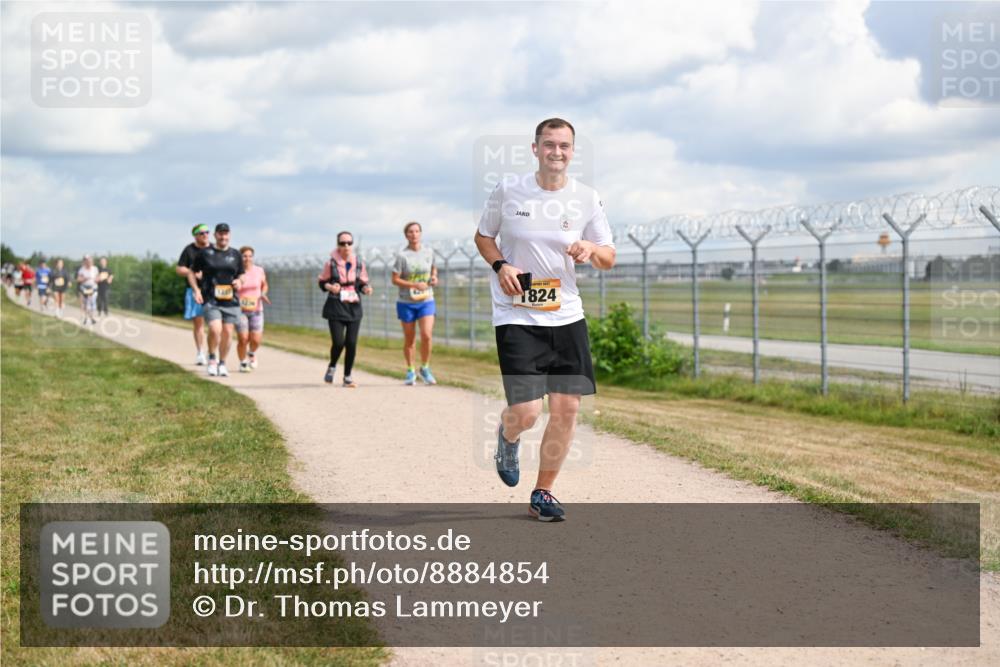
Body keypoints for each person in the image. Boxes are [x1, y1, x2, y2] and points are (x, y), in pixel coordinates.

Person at [474, 118, 616, 522]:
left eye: (564, 146)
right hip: (516, 315)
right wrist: (501, 265)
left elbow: (608, 257)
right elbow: (483, 237)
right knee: (527, 412)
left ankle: (543, 492)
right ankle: (508, 435)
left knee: (567, 409)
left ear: (573, 151)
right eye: (549, 144)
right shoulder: (508, 190)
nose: (557, 152)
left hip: (566, 315)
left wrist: (590, 248)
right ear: (535, 149)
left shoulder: (586, 197)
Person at [317, 231, 372, 387]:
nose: (346, 246)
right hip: (336, 306)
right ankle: (332, 366)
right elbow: (322, 283)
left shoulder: (359, 263)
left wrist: (366, 288)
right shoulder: (331, 264)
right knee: (339, 342)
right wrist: (330, 287)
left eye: (349, 243)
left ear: (352, 244)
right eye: (342, 243)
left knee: (351, 343)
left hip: (354, 307)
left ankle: (347, 377)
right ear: (338, 245)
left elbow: (361, 283)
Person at [189, 223, 244, 378]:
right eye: (220, 234)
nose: (223, 237)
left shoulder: (235, 254)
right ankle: (212, 358)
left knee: (228, 332)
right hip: (211, 298)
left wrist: (240, 281)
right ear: (215, 235)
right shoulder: (205, 253)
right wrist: (196, 290)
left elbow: (241, 274)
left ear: (229, 235)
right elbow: (192, 272)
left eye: (226, 234)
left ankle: (222, 363)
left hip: (230, 300)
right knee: (215, 329)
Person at [392, 221, 439, 385]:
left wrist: (434, 277)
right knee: (410, 339)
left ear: (421, 233)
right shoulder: (402, 255)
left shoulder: (429, 252)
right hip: (406, 302)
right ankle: (410, 370)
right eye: (410, 232)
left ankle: (425, 368)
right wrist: (413, 285)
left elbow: (433, 268)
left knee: (426, 335)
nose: (414, 234)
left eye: (417, 231)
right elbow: (395, 279)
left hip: (426, 299)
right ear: (406, 235)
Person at [176, 224, 213, 365]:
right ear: (195, 235)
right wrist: (192, 272)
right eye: (201, 233)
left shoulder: (214, 249)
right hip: (194, 290)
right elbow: (179, 269)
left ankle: (212, 352)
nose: (205, 235)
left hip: (213, 291)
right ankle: (200, 352)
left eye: (207, 232)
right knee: (199, 323)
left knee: (215, 323)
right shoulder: (189, 250)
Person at [235, 246, 270, 372]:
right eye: (244, 256)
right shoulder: (236, 271)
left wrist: (263, 293)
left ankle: (251, 353)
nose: (247, 259)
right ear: (240, 257)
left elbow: (264, 285)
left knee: (256, 339)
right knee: (243, 338)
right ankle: (242, 362)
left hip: (257, 309)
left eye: (250, 256)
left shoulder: (259, 270)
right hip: (240, 310)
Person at [76, 255, 99, 325]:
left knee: (92, 302)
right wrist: (85, 278)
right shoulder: (82, 269)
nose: (89, 263)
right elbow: (78, 279)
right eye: (88, 261)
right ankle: (87, 318)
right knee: (86, 303)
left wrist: (98, 279)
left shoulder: (95, 269)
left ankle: (92, 317)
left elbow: (97, 278)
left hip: (93, 288)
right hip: (85, 288)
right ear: (86, 262)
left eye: (91, 261)